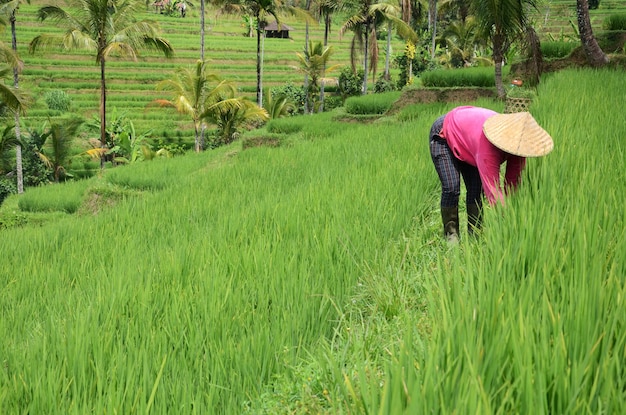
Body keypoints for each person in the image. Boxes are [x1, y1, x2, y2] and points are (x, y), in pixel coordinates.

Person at [429, 106, 553, 242]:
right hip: (445, 134)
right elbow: (492, 189)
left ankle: (474, 235)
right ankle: (451, 236)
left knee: (476, 189)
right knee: (452, 187)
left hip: (469, 140)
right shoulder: (489, 146)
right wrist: (510, 223)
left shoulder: (520, 148)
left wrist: (514, 212)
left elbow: (512, 185)